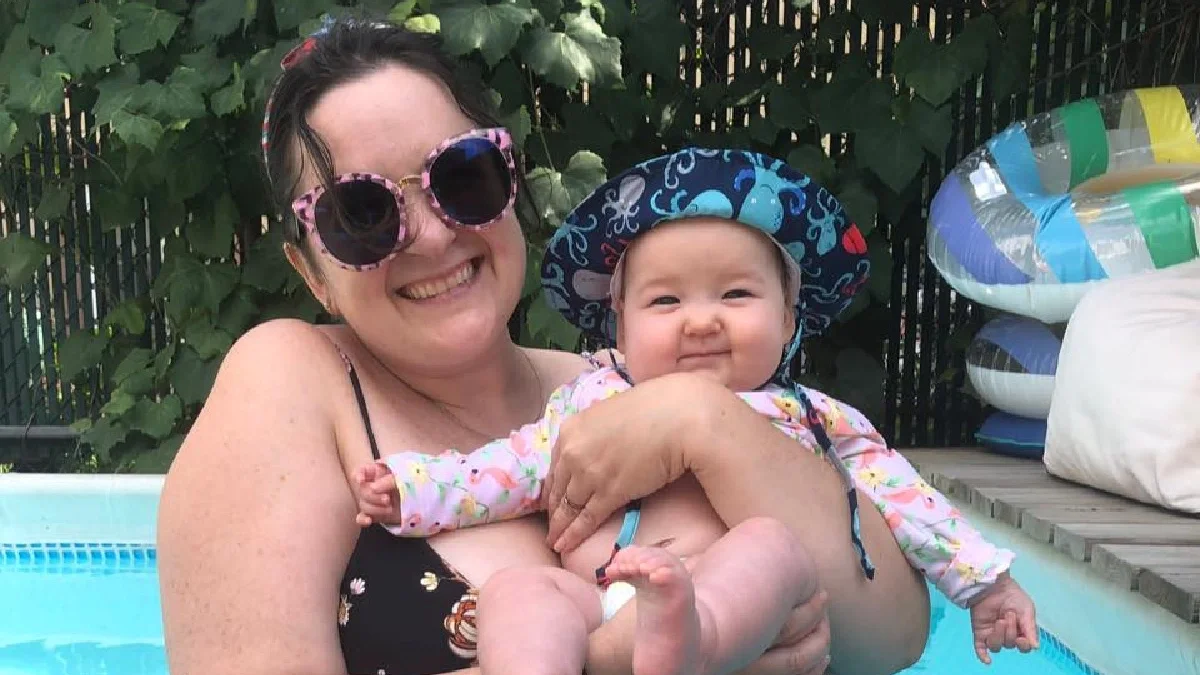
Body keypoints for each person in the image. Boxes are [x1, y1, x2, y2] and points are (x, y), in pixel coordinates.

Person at [156, 16, 931, 675]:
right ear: (311, 270)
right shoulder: (295, 381)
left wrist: (702, 418)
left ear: (510, 177)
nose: (431, 235)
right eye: (359, 214)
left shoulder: (622, 383)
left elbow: (891, 637)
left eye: (461, 175)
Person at [353, 150, 1039, 674]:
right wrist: (414, 488)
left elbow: (907, 500)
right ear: (617, 322)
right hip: (595, 597)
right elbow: (505, 469)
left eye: (736, 294)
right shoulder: (588, 401)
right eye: (666, 301)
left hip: (721, 598)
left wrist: (987, 582)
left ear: (790, 315)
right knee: (518, 592)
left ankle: (691, 635)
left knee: (771, 549)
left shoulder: (818, 418)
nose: (703, 320)